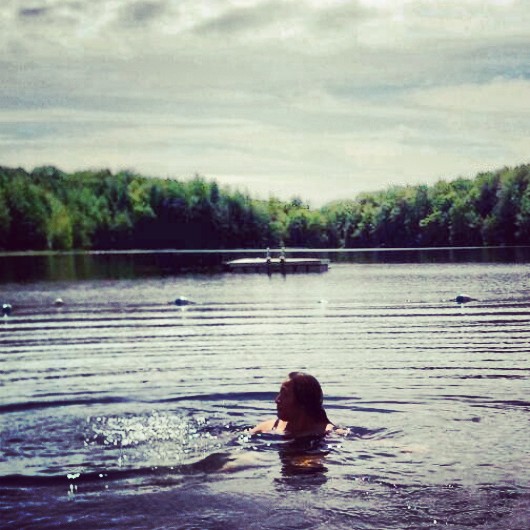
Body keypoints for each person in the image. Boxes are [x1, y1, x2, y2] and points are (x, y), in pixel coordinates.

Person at [251, 372, 335, 438]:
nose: (277, 400)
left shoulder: (331, 434)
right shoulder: (266, 428)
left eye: (285, 395)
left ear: (303, 401)